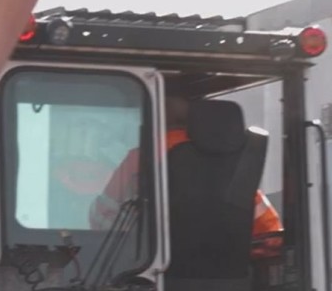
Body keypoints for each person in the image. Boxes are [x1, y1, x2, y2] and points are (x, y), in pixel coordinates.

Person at [89, 95, 284, 255]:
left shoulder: (141, 157)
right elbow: (270, 236)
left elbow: (101, 219)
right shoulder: (233, 167)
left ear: (157, 117)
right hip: (230, 286)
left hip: (153, 278)